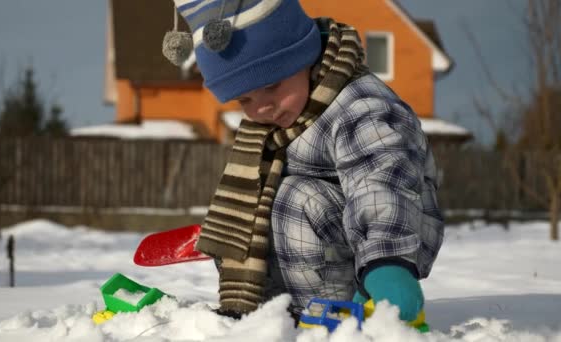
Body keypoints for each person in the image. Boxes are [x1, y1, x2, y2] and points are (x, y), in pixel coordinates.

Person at [163, 0, 445, 323]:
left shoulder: (361, 107)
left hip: (388, 243)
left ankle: (328, 309)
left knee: (295, 197)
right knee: (257, 199)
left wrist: (387, 261)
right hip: (328, 242)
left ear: (305, 56)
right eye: (245, 100)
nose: (262, 109)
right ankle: (273, 309)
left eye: (271, 86)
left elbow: (380, 179)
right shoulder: (279, 118)